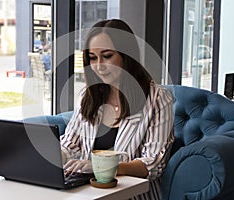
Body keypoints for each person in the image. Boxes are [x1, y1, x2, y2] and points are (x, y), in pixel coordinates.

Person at [61, 19, 174, 200]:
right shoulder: (88, 96)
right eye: (92, 58)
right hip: (87, 193)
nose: (99, 66)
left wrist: (102, 168)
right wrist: (53, 157)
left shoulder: (158, 99)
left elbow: (153, 165)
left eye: (107, 56)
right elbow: (71, 145)